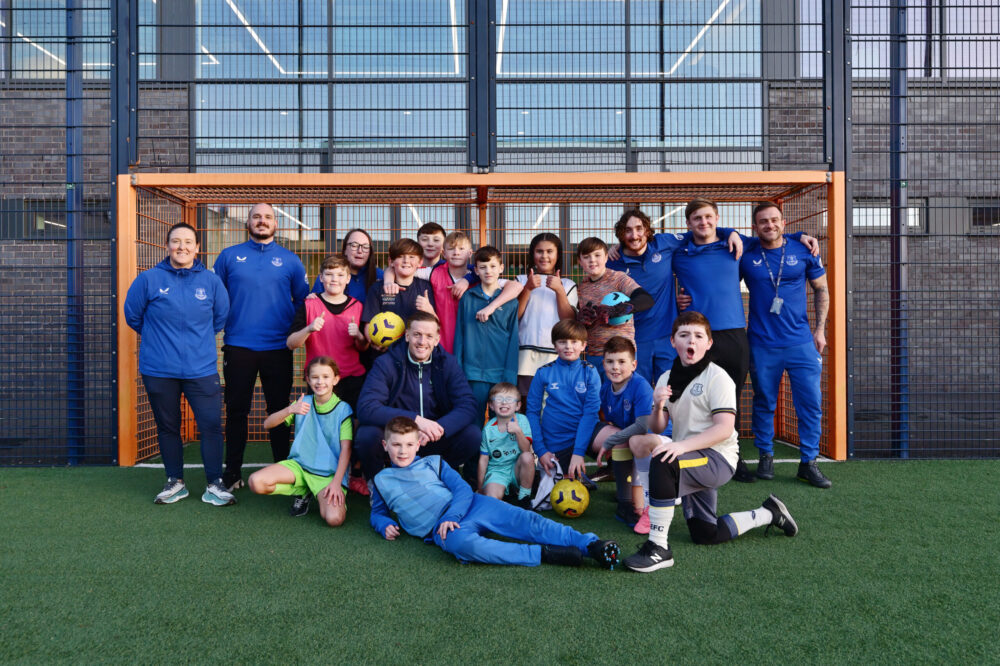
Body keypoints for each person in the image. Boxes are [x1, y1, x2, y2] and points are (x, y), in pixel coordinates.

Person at [622, 312, 799, 573]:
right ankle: (769, 513)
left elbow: (724, 429)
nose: (690, 340)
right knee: (706, 534)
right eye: (684, 335)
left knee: (663, 459)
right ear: (673, 341)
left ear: (709, 343)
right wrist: (659, 405)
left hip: (718, 458)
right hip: (692, 457)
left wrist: (680, 446)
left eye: (698, 335)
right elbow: (657, 426)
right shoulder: (666, 378)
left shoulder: (718, 378)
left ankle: (659, 547)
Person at [673, 199, 817, 483]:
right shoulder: (679, 251)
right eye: (697, 218)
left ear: (717, 218)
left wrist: (798, 236)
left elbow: (772, 235)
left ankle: (733, 459)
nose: (704, 223)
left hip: (734, 335)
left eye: (709, 217)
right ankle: (683, 453)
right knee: (687, 395)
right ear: (688, 224)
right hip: (696, 334)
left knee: (730, 398)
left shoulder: (739, 246)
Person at [371, 416, 621, 569]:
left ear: (418, 444)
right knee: (464, 546)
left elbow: (462, 490)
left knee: (527, 520)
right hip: (443, 530)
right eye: (396, 445)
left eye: (408, 445)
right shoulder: (382, 480)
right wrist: (383, 524)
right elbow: (377, 513)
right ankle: (543, 554)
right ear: (385, 445)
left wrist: (452, 516)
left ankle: (590, 545)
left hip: (471, 506)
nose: (402, 451)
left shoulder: (433, 462)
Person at [123, 222, 235, 507]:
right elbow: (133, 317)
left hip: (202, 370)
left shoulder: (211, 282)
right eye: (176, 241)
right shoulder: (148, 280)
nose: (182, 247)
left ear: (197, 248)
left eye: (188, 242)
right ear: (167, 246)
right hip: (159, 370)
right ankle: (175, 482)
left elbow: (219, 318)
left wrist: (194, 344)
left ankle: (215, 484)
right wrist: (161, 341)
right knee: (168, 427)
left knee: (210, 426)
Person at [214, 202, 309, 490]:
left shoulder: (291, 260)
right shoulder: (229, 256)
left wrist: (293, 333)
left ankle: (282, 470)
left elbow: (304, 303)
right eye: (256, 216)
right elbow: (216, 298)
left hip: (278, 348)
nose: (262, 221)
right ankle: (232, 473)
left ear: (276, 224)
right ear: (249, 222)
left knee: (280, 409)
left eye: (268, 217)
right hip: (238, 346)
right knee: (236, 411)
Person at [740, 203, 832, 488]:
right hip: (761, 342)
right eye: (763, 222)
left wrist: (819, 330)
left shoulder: (803, 249)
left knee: (810, 403)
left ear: (783, 222)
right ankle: (766, 455)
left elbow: (822, 290)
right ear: (755, 227)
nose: (770, 225)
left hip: (801, 342)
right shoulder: (746, 254)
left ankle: (808, 462)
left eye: (775, 220)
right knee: (764, 401)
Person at [606, 209, 741, 383]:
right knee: (640, 395)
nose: (634, 235)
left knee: (671, 393)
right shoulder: (612, 262)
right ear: (621, 234)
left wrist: (731, 232)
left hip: (667, 337)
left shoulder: (665, 243)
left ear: (647, 231)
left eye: (639, 229)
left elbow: (701, 230)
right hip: (635, 340)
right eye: (628, 230)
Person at [354, 311, 481, 482]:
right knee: (367, 435)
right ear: (407, 336)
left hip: (431, 438)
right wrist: (416, 420)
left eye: (429, 336)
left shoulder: (447, 363)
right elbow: (366, 407)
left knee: (472, 434)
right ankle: (377, 484)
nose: (422, 342)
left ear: (436, 340)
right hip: (398, 438)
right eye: (417, 335)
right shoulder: (386, 363)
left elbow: (467, 404)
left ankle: (436, 476)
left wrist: (439, 428)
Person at [247, 356, 353, 524]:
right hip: (299, 467)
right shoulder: (303, 402)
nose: (320, 382)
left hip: (326, 474)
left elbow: (346, 450)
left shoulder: (343, 409)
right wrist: (290, 410)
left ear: (335, 379)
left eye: (325, 377)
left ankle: (313, 491)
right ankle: (303, 491)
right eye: (315, 377)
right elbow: (268, 424)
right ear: (308, 380)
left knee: (334, 519)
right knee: (256, 482)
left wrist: (336, 483)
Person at [287, 254, 368, 411]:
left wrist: (358, 335)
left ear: (348, 279)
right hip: (320, 380)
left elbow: (364, 347)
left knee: (352, 425)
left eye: (340, 275)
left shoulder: (357, 307)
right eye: (329, 274)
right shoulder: (309, 305)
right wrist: (309, 329)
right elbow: (291, 343)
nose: (334, 279)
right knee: (322, 428)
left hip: (351, 377)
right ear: (321, 278)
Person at [590, 336, 654, 531]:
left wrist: (610, 441)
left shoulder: (640, 386)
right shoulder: (604, 390)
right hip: (629, 442)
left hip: (653, 444)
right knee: (612, 437)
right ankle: (624, 498)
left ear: (634, 365)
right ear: (603, 364)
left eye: (621, 362)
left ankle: (634, 499)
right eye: (610, 362)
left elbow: (643, 426)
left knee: (626, 439)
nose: (615, 367)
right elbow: (604, 419)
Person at [526, 319, 601, 483]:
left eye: (574, 342)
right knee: (563, 490)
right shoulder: (543, 373)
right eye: (562, 342)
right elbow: (531, 412)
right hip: (555, 444)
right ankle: (572, 474)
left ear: (583, 345)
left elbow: (590, 414)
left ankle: (623, 493)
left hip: (584, 437)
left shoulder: (590, 372)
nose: (568, 346)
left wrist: (579, 452)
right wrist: (541, 450)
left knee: (615, 437)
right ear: (554, 345)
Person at [574, 236, 653, 383]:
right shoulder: (581, 288)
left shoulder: (618, 279)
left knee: (622, 399)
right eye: (586, 257)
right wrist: (582, 321)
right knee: (598, 402)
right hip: (595, 355)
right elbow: (580, 327)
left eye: (597, 255)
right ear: (580, 261)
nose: (592, 260)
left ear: (606, 257)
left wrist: (619, 309)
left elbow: (646, 299)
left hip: (621, 354)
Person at [453, 246, 520, 419]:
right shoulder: (467, 298)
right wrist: (459, 371)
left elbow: (513, 340)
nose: (488, 271)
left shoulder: (510, 302)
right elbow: (459, 336)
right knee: (471, 421)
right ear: (476, 270)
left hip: (499, 374)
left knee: (501, 423)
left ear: (501, 268)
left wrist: (509, 376)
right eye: (482, 267)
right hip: (472, 374)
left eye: (492, 266)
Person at [515, 233, 578, 397]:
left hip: (554, 357)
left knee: (552, 405)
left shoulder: (568, 284)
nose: (544, 256)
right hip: (524, 358)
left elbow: (568, 320)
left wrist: (559, 291)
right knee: (525, 404)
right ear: (532, 254)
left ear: (558, 255)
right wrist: (527, 289)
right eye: (539, 251)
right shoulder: (520, 280)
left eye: (550, 251)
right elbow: (514, 317)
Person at [361, 238, 436, 348]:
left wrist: (430, 310)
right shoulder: (377, 289)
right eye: (400, 256)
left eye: (411, 257)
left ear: (420, 262)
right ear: (391, 262)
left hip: (416, 354)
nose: (406, 261)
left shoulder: (426, 287)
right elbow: (368, 326)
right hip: (385, 355)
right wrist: (374, 341)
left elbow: (436, 325)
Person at [477, 382, 535, 508]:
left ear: (518, 405)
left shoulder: (522, 420)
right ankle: (503, 493)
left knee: (527, 457)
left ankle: (524, 497)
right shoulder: (488, 429)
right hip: (498, 470)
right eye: (498, 399)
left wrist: (518, 431)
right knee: (490, 500)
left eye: (509, 399)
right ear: (491, 406)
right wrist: (481, 487)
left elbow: (526, 449)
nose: (504, 403)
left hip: (517, 468)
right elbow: (484, 459)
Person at [310, 229, 383, 302]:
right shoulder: (329, 276)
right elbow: (314, 304)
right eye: (354, 245)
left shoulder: (380, 276)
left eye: (365, 247)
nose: (360, 251)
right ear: (345, 249)